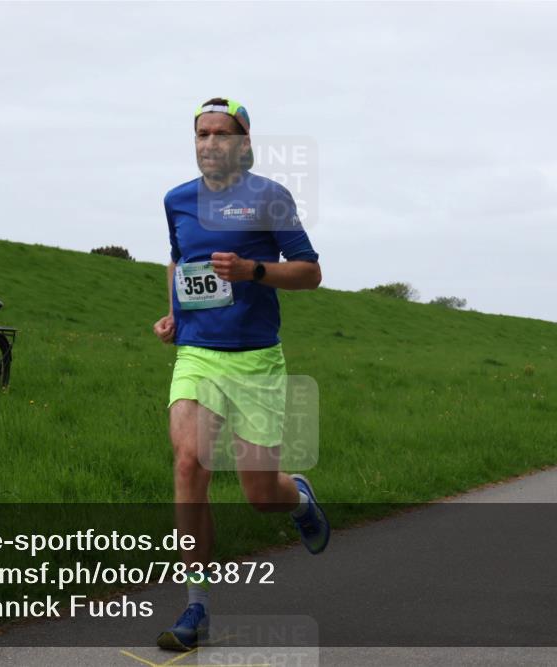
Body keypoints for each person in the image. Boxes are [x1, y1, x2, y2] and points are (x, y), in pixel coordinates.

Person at [152, 98, 328, 652]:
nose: (210, 143)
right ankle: (196, 606)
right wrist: (176, 319)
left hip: (256, 358)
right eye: (201, 134)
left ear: (244, 143)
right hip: (199, 355)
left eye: (221, 134)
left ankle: (297, 498)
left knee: (260, 494)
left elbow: (310, 273)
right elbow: (180, 262)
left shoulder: (270, 198)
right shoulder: (177, 200)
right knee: (189, 462)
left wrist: (253, 270)